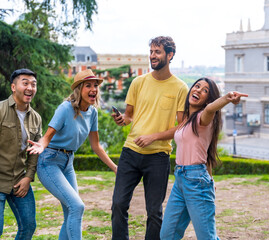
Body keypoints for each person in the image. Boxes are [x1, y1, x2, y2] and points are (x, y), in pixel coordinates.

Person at [111, 36, 189, 240]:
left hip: (158, 156)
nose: (152, 56)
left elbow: (181, 126)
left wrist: (154, 137)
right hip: (130, 152)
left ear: (169, 55)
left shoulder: (180, 88)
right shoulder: (138, 82)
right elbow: (129, 115)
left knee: (154, 212)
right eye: (151, 51)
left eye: (157, 52)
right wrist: (122, 119)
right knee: (118, 204)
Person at [27, 69, 117, 240]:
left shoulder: (93, 113)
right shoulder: (65, 108)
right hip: (50, 162)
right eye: (88, 85)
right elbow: (47, 137)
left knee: (71, 212)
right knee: (77, 206)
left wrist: (115, 168)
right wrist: (40, 145)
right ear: (79, 89)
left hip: (68, 163)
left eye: (95, 86)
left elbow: (96, 146)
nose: (93, 89)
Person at [160, 78, 248, 240]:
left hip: (195, 182)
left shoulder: (204, 117)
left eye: (205, 91)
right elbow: (205, 155)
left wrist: (227, 98)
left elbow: (210, 109)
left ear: (208, 99)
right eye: (197, 86)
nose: (198, 90)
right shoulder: (187, 121)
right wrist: (211, 178)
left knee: (207, 237)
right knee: (167, 235)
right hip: (180, 180)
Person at [0, 68, 42, 240]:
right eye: (25, 83)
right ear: (13, 86)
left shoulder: (36, 118)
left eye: (33, 84)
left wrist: (28, 177)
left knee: (29, 227)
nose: (30, 88)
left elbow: (34, 151)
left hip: (19, 181)